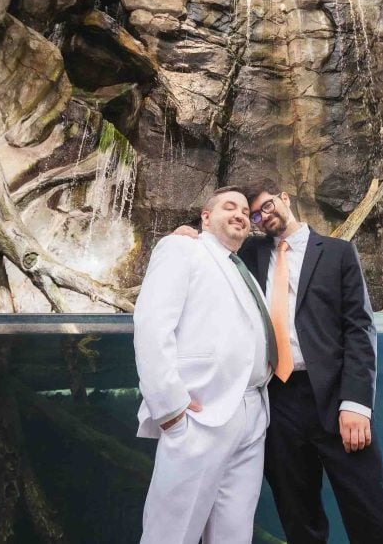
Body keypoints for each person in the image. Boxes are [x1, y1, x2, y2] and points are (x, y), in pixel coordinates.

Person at [175, 179, 383, 543]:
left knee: (370, 511)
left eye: (266, 206)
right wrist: (188, 235)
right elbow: (213, 246)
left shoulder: (339, 252)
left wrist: (357, 403)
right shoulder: (249, 254)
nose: (262, 217)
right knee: (298, 516)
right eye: (254, 215)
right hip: (276, 402)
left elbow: (359, 328)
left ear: (284, 198)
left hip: (336, 397)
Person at [134, 186, 278, 544]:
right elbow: (152, 324)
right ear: (205, 217)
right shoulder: (182, 248)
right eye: (230, 207)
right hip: (199, 411)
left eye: (246, 212)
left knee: (234, 528)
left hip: (254, 409)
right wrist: (170, 407)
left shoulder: (244, 270)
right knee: (173, 529)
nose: (240, 215)